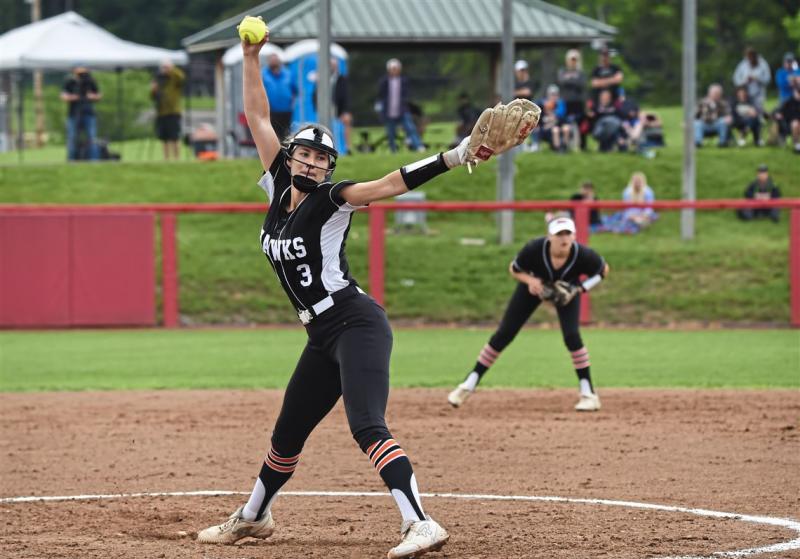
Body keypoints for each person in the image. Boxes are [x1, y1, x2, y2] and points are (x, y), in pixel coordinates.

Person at [196, 34, 500, 558]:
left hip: (355, 323)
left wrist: (456, 155)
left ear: (329, 169)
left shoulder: (334, 199)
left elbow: (388, 184)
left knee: (366, 424)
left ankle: (420, 522)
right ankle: (253, 517)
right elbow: (257, 117)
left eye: (322, 159)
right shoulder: (276, 187)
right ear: (291, 158)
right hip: (319, 335)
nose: (312, 164)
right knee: (287, 434)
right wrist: (250, 58)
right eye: (306, 155)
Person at [447, 215, 609, 412]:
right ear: (549, 237)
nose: (563, 239)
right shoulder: (534, 249)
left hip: (567, 291)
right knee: (504, 334)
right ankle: (468, 384)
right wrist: (530, 281)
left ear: (574, 236)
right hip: (534, 287)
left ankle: (589, 394)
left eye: (567, 233)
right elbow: (514, 269)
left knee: (572, 337)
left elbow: (603, 270)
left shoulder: (582, 254)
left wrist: (580, 289)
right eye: (559, 234)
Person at [377, 58, 424, 152]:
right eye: (392, 68)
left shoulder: (404, 81)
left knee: (411, 129)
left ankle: (418, 146)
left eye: (396, 68)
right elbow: (381, 96)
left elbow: (407, 94)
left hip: (402, 110)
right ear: (389, 69)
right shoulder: (384, 81)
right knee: (391, 133)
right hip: (389, 111)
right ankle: (393, 149)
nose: (394, 70)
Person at [60, 65, 102, 161]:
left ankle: (94, 160)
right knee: (72, 137)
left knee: (92, 137)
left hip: (88, 113)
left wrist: (91, 96)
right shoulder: (70, 82)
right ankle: (72, 159)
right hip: (73, 113)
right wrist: (73, 97)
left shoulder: (90, 81)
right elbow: (63, 96)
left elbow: (98, 95)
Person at [313, 57, 353, 153]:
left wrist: (345, 111)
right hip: (325, 107)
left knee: (342, 126)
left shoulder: (342, 79)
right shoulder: (322, 79)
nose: (332, 67)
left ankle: (346, 148)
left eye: (334, 65)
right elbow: (315, 94)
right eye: (331, 65)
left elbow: (345, 95)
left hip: (338, 108)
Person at [150, 60, 185, 160]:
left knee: (175, 137)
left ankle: (177, 158)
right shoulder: (159, 80)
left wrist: (172, 70)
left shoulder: (174, 78)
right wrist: (153, 90)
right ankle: (166, 158)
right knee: (164, 138)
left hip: (173, 112)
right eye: (163, 67)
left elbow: (181, 77)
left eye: (167, 67)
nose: (165, 69)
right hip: (161, 112)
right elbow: (153, 97)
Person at [557, 49, 587, 150]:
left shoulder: (581, 72)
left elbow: (581, 84)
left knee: (581, 124)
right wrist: (574, 80)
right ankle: (565, 144)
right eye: (571, 59)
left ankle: (582, 145)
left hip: (578, 102)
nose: (573, 61)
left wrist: (569, 80)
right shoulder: (563, 71)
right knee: (565, 123)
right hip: (566, 102)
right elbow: (561, 81)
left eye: (575, 59)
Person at [261, 53, 295, 141]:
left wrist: (292, 103)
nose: (274, 62)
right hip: (270, 111)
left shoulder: (288, 73)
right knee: (272, 134)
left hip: (286, 111)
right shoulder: (264, 74)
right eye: (272, 61)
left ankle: (285, 152)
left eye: (275, 60)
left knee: (286, 134)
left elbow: (294, 90)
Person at [732, 47, 770, 115]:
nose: (749, 59)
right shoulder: (743, 64)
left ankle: (764, 117)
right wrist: (744, 81)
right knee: (748, 110)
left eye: (751, 57)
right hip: (746, 93)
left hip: (759, 92)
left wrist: (757, 78)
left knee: (758, 107)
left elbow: (767, 79)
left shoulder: (762, 64)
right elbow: (736, 79)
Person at [537, 85, 570, 152]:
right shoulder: (543, 104)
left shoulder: (560, 103)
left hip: (558, 123)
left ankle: (564, 147)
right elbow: (542, 120)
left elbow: (562, 117)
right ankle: (557, 149)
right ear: (548, 95)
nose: (554, 96)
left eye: (555, 94)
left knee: (566, 128)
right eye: (552, 94)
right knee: (556, 130)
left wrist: (554, 118)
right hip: (547, 128)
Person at [774, 81, 800, 153]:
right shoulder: (788, 101)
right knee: (795, 124)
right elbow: (777, 111)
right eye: (798, 93)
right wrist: (778, 114)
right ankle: (797, 145)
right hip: (789, 123)